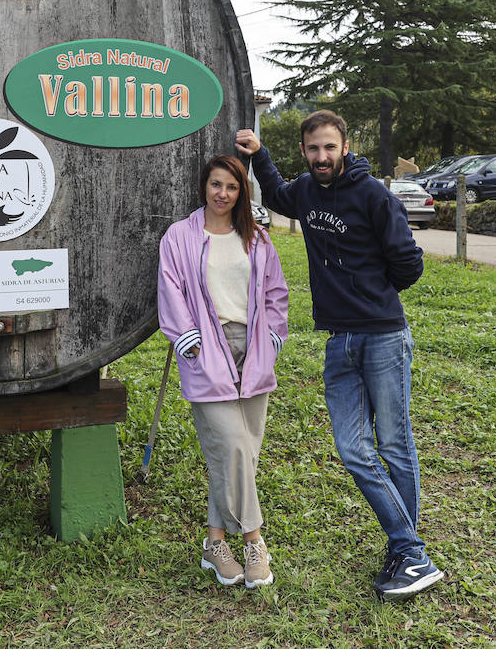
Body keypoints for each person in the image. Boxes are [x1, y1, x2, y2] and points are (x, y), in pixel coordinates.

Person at [235, 112, 443, 600]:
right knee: (353, 449)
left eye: (330, 148)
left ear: (344, 146)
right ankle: (410, 549)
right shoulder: (306, 192)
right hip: (338, 341)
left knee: (393, 443)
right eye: (313, 149)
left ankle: (406, 551)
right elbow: (279, 193)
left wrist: (368, 293)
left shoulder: (374, 196)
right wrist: (258, 155)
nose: (322, 157)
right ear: (304, 151)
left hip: (383, 336)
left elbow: (409, 264)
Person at [157, 154, 289, 589]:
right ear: (204, 187)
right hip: (205, 350)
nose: (223, 194)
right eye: (216, 185)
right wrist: (184, 336)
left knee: (242, 454)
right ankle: (254, 541)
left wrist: (273, 336)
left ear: (241, 192)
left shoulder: (257, 238)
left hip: (252, 350)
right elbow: (171, 285)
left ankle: (215, 545)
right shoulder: (180, 236)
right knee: (232, 448)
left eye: (232, 187)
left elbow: (275, 291)